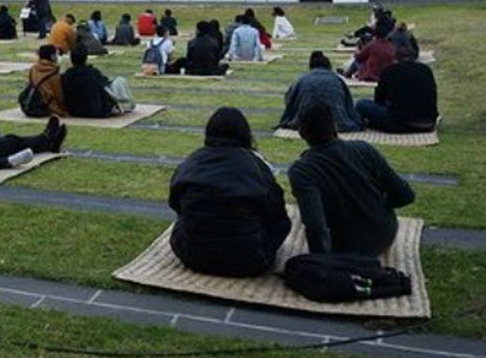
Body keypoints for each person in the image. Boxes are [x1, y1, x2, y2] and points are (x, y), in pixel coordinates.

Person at [169, 108, 291, 277]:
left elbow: (175, 203)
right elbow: (277, 214)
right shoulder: (256, 167)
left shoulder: (191, 162)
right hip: (250, 260)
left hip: (192, 255)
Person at [288, 102, 415, 255]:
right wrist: (380, 205)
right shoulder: (364, 149)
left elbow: (315, 225)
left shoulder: (302, 171)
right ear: (335, 126)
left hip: (344, 246)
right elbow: (405, 195)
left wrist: (321, 262)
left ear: (302, 133)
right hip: (384, 235)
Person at [355, 46, 438, 133]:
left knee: (361, 104)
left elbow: (379, 100)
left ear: (395, 58)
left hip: (399, 123)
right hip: (428, 123)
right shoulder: (425, 70)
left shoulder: (390, 71)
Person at [279, 52, 362, 133]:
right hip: (338, 122)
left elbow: (289, 99)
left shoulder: (302, 79)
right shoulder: (337, 80)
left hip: (304, 122)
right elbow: (348, 105)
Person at [61, 43, 126, 118]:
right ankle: (125, 104)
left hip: (74, 111)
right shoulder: (93, 73)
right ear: (86, 58)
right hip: (96, 111)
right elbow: (106, 86)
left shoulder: (67, 75)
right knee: (120, 81)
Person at [26, 44, 67, 116]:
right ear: (52, 56)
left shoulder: (33, 69)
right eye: (56, 54)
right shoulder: (53, 73)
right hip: (48, 106)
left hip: (32, 103)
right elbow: (59, 95)